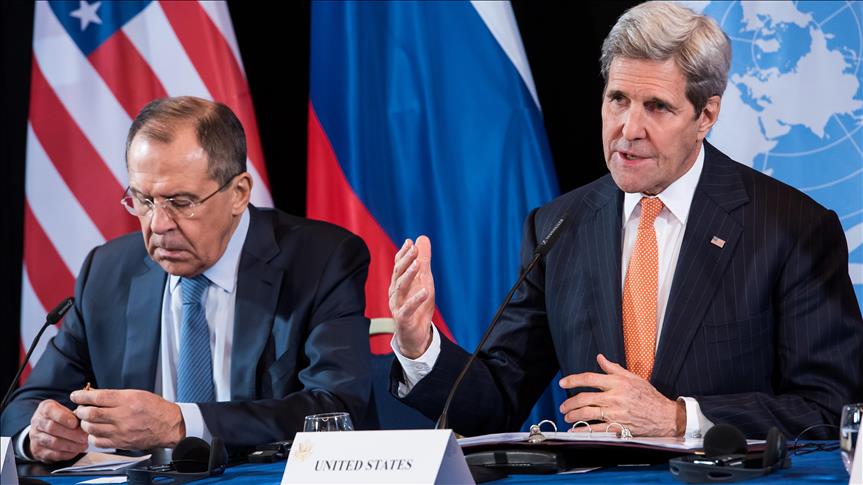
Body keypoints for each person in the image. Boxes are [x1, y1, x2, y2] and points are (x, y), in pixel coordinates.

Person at [388, 1, 863, 439]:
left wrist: (679, 418)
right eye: (618, 99)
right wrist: (419, 345)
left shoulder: (791, 228)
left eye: (657, 107)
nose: (629, 129)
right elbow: (495, 403)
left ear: (706, 115)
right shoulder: (558, 227)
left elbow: (827, 408)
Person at [1, 96, 372, 463]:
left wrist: (182, 424)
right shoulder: (107, 271)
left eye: (180, 202)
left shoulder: (321, 262)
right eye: (144, 201)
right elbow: (26, 406)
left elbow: (336, 409)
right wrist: (39, 436)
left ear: (239, 193)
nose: (159, 225)